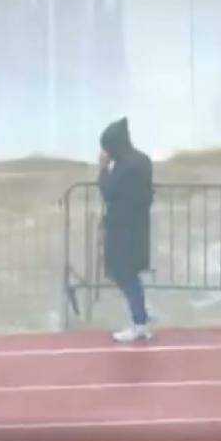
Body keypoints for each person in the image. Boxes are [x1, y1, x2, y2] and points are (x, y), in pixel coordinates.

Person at [98, 117, 154, 342]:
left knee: (124, 274)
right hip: (138, 227)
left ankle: (139, 322)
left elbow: (108, 192)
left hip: (123, 230)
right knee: (128, 274)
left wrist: (103, 170)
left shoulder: (124, 166)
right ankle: (141, 314)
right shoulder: (142, 161)